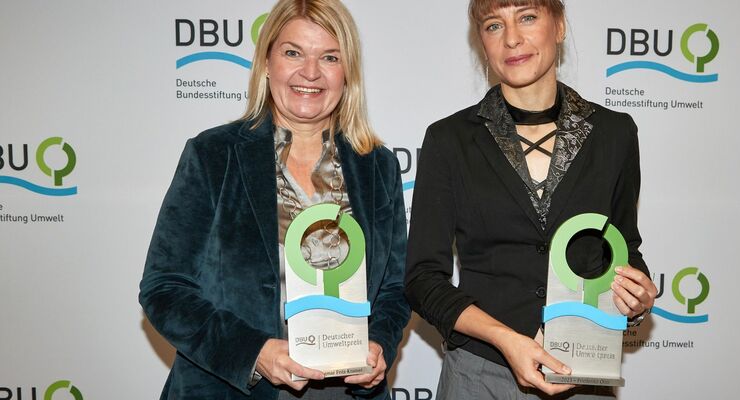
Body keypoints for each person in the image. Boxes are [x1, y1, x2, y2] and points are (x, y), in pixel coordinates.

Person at [139, 0, 409, 398]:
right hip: (235, 386)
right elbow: (164, 288)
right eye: (293, 52)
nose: (311, 72)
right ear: (267, 62)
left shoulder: (377, 166)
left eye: (329, 57)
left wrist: (380, 344)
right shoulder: (215, 154)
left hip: (345, 390)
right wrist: (254, 352)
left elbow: (394, 288)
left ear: (347, 71)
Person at [404, 0, 658, 399]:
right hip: (480, 373)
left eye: (527, 17)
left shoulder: (615, 133)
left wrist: (637, 295)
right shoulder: (449, 140)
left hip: (583, 371)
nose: (511, 38)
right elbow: (422, 280)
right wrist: (506, 338)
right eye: (493, 25)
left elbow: (623, 248)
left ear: (558, 26)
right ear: (481, 42)